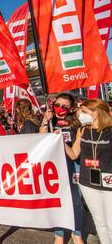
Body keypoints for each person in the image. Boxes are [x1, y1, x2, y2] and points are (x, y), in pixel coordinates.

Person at [65, 98, 112, 244]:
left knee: (111, 224)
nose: (80, 115)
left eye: (84, 112)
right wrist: (59, 140)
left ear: (96, 113)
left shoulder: (110, 131)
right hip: (87, 182)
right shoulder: (82, 130)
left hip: (109, 182)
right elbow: (74, 154)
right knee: (100, 223)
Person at [40, 93, 84, 244]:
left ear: (71, 108)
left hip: (73, 164)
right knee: (58, 201)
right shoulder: (50, 119)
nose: (59, 109)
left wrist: (60, 140)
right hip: (55, 165)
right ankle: (59, 234)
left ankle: (76, 232)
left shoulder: (77, 123)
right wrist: (45, 121)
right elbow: (40, 139)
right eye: (57, 105)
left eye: (64, 106)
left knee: (75, 200)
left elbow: (75, 152)